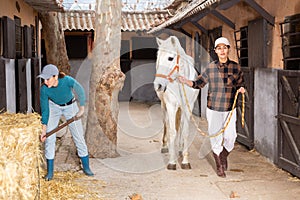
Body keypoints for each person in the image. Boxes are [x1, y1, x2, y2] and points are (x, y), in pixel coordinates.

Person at [178, 37, 245, 177]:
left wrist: (241, 89)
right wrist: (186, 82)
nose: (222, 50)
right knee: (215, 137)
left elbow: (240, 83)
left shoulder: (236, 67)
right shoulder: (210, 68)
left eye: (224, 47)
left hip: (230, 108)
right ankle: (219, 165)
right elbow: (199, 83)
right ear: (215, 51)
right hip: (213, 108)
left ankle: (223, 155)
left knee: (231, 137)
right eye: (219, 48)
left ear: (228, 49)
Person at [38, 64, 94, 181]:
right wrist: (44, 129)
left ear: (56, 76)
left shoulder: (67, 80)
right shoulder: (44, 89)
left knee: (78, 136)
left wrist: (82, 108)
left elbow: (80, 90)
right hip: (54, 107)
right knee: (50, 137)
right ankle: (50, 172)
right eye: (44, 79)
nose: (45, 81)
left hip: (70, 106)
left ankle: (87, 167)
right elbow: (45, 110)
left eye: (47, 79)